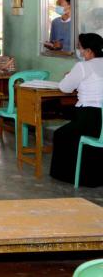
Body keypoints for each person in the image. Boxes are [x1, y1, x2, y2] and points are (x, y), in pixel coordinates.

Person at [49, 33, 103, 187]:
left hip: (89, 116)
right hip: (101, 117)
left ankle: (67, 175)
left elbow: (64, 88)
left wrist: (68, 77)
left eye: (80, 47)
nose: (79, 51)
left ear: (89, 51)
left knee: (61, 134)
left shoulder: (82, 66)